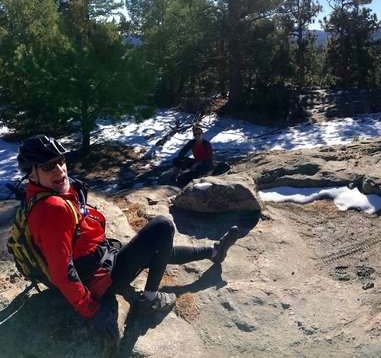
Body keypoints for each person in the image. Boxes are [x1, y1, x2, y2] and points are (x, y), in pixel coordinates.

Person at [17, 134, 242, 343]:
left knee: (154, 247)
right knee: (162, 226)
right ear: (32, 173)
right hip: (98, 279)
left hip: (99, 256)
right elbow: (62, 273)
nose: (60, 170)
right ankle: (150, 299)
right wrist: (93, 312)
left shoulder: (43, 194)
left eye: (61, 160)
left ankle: (214, 251)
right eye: (48, 166)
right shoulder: (51, 209)